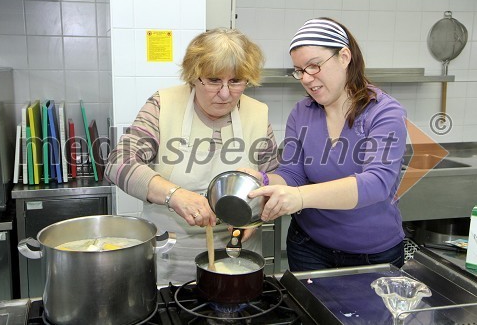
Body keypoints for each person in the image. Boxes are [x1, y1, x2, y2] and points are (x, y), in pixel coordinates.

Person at [104, 28, 279, 284]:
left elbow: (275, 178)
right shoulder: (163, 104)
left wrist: (256, 215)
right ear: (193, 77)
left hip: (237, 260)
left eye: (236, 81)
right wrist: (174, 195)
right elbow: (118, 163)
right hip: (171, 259)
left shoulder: (258, 114)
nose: (225, 93)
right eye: (213, 80)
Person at [244, 18, 407, 271]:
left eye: (314, 66)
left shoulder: (384, 113)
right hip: (308, 247)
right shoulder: (302, 112)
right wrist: (262, 182)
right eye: (299, 70)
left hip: (372, 255)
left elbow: (376, 183)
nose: (306, 79)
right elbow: (292, 174)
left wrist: (299, 197)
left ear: (344, 57)